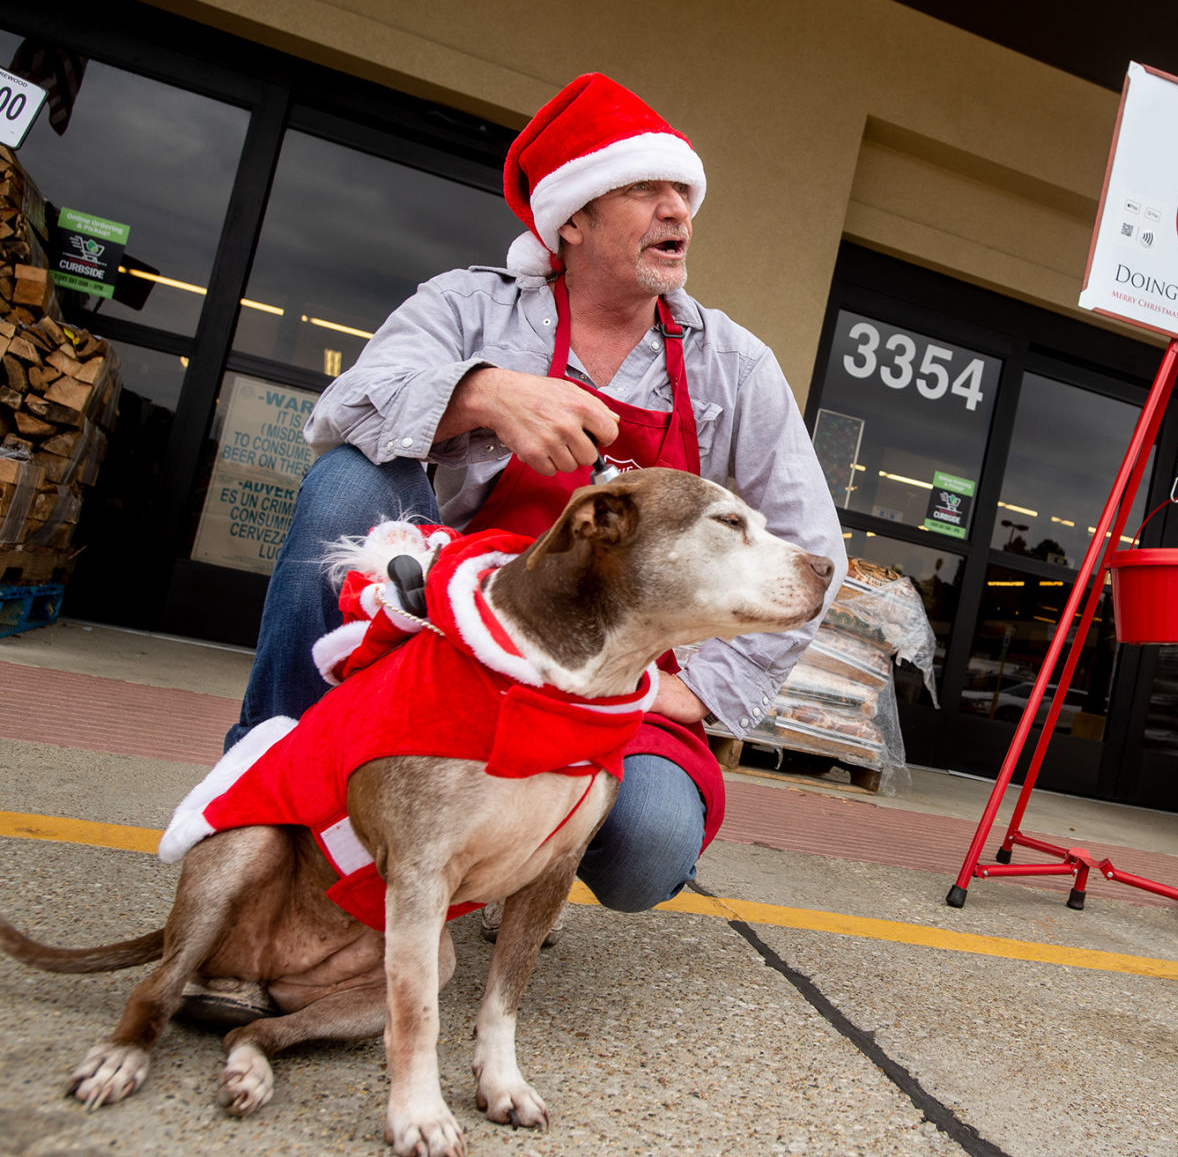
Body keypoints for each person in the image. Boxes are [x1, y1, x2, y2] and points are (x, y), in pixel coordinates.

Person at [225, 73, 847, 930]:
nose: (678, 212)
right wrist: (480, 393)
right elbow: (342, 408)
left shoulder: (731, 366)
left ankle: (501, 860)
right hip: (454, 641)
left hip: (611, 673)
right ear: (573, 220)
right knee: (350, 478)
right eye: (646, 189)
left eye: (684, 193)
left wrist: (703, 692)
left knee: (651, 848)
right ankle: (275, 796)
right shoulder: (470, 306)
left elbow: (817, 545)